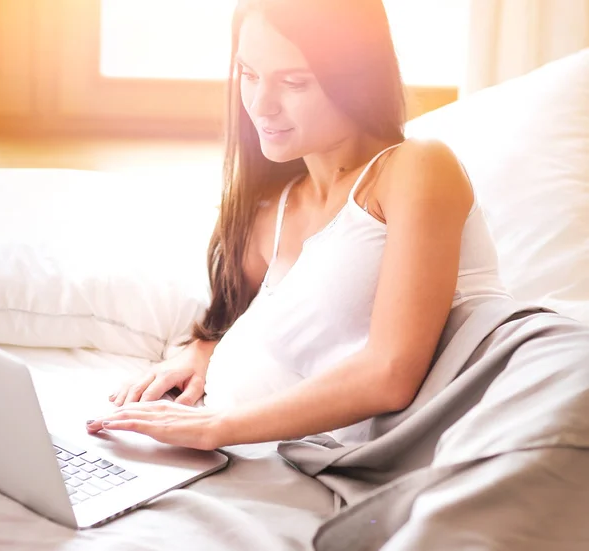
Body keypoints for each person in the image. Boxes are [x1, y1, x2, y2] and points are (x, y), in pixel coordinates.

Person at [86, 0, 511, 449]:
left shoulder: (417, 168)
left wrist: (215, 427)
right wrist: (202, 349)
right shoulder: (269, 215)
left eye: (293, 82)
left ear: (356, 79)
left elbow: (391, 373)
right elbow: (232, 317)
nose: (261, 105)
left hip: (499, 418)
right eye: (249, 74)